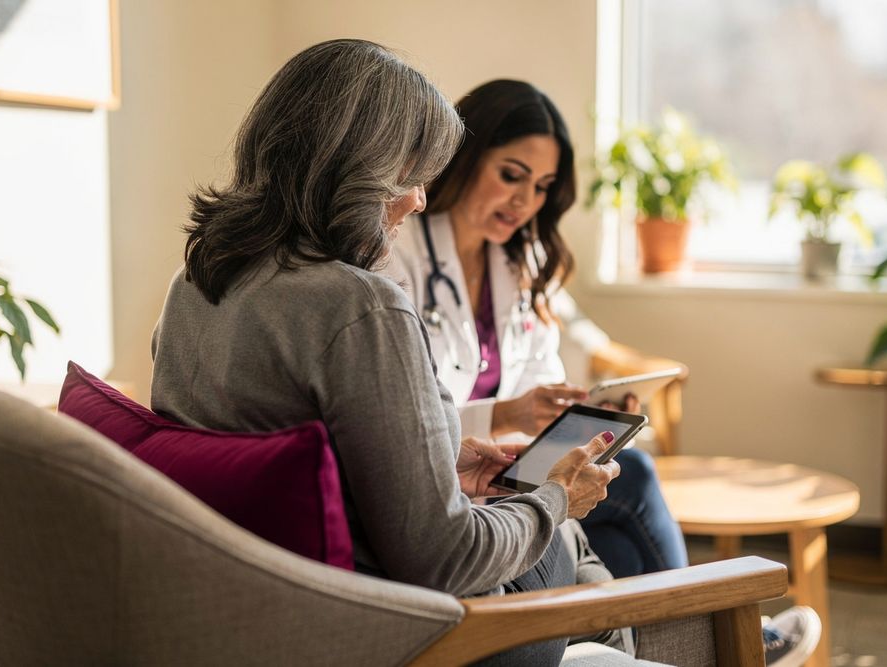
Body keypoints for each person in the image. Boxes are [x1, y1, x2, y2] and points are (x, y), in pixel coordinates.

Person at [149, 40, 624, 665]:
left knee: (545, 519)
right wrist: (554, 501)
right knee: (563, 531)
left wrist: (441, 454)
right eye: (413, 176)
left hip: (251, 605)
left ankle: (623, 642)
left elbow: (284, 442)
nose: (421, 200)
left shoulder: (195, 285)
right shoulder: (363, 305)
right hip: (398, 633)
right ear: (363, 172)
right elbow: (446, 558)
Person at [386, 79, 820, 667]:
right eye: (511, 175)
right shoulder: (400, 255)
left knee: (617, 476)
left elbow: (544, 371)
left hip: (520, 457)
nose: (524, 203)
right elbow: (411, 419)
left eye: (541, 187)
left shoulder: (523, 257)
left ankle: (678, 647)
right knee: (631, 480)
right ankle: (715, 640)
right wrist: (508, 415)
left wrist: (589, 411)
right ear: (462, 158)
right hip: (468, 471)